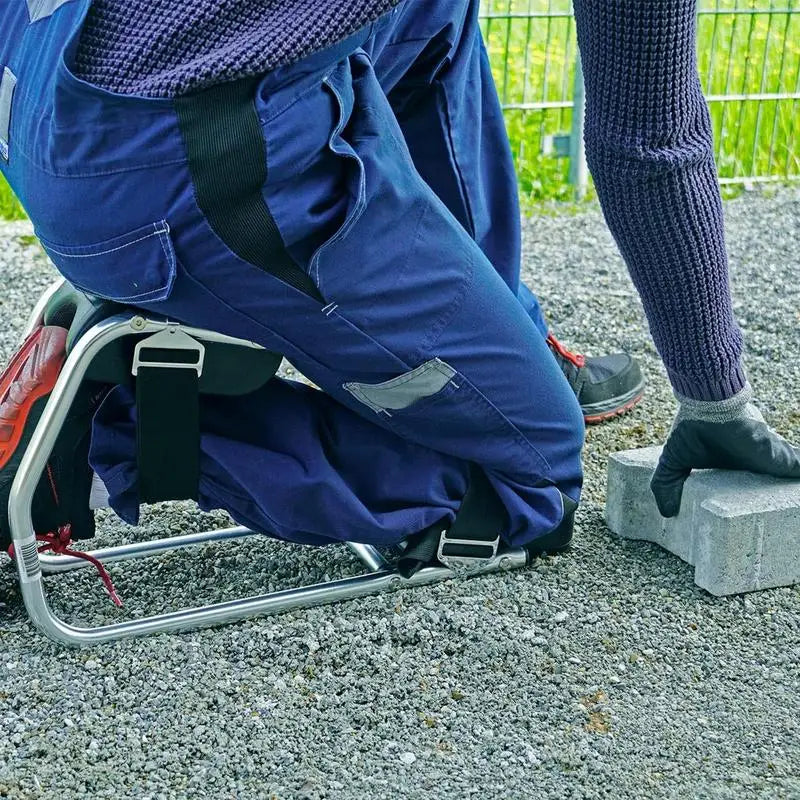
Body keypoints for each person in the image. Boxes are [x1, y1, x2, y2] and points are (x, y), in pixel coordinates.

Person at [0, 0, 797, 566]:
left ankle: (504, 341)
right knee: (535, 476)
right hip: (178, 154)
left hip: (46, 87)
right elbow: (648, 138)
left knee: (433, 11)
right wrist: (716, 399)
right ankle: (119, 425)